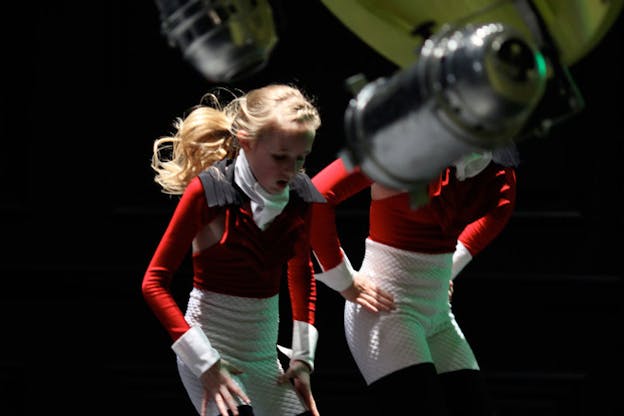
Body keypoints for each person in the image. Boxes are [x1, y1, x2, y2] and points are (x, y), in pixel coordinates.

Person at [141, 84, 325, 416]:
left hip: (265, 357)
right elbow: (153, 283)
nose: (292, 170)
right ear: (246, 142)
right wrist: (205, 362)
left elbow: (301, 272)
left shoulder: (299, 196)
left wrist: (302, 357)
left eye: (301, 158)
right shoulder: (208, 192)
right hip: (211, 353)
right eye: (280, 157)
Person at [308, 146, 519, 415]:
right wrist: (344, 280)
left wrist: (447, 268)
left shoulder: (493, 158)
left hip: (439, 314)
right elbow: (317, 197)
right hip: (385, 309)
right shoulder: (404, 142)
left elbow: (501, 205)